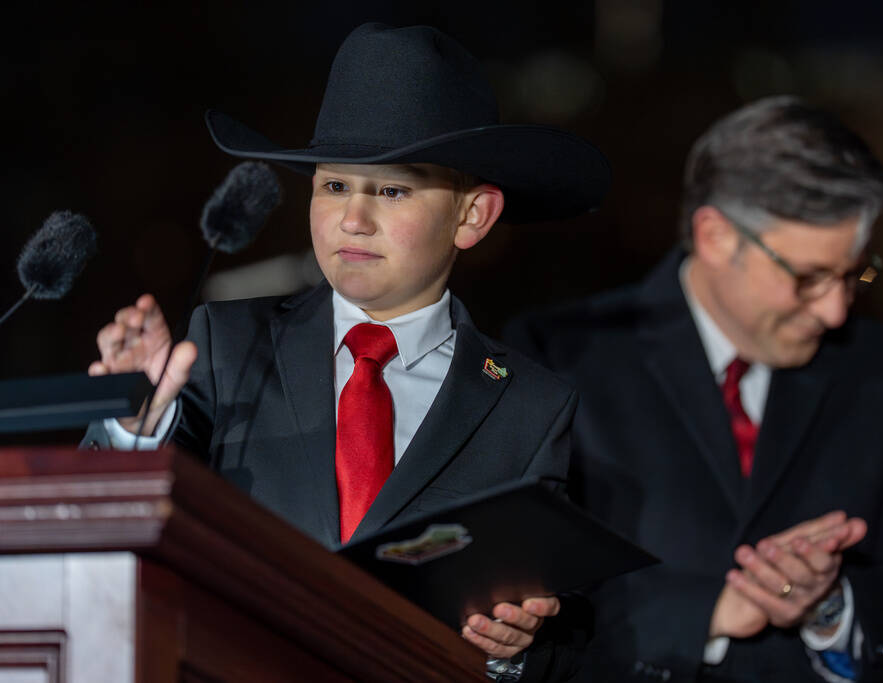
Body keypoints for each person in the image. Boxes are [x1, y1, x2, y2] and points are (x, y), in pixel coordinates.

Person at [83, 23, 610, 682]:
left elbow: (565, 625)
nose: (353, 218)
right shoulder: (226, 345)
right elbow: (112, 538)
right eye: (334, 186)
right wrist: (136, 422)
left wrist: (514, 647)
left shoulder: (530, 405)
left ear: (472, 215)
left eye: (391, 190)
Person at [505, 96, 883, 682]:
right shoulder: (557, 356)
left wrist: (828, 604)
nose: (835, 310)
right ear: (716, 236)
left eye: (853, 274)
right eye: (808, 278)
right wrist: (708, 612)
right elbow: (516, 604)